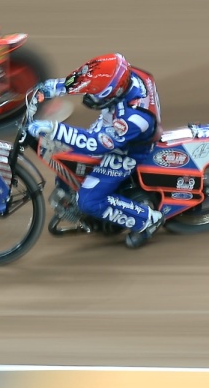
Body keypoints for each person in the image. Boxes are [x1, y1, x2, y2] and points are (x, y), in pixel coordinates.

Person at [26, 53, 165, 249]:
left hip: (129, 148)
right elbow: (85, 77)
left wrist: (54, 128)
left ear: (115, 93)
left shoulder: (136, 117)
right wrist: (54, 87)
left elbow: (97, 144)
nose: (90, 97)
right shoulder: (116, 71)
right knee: (68, 163)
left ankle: (147, 220)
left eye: (98, 94)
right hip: (113, 119)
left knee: (88, 201)